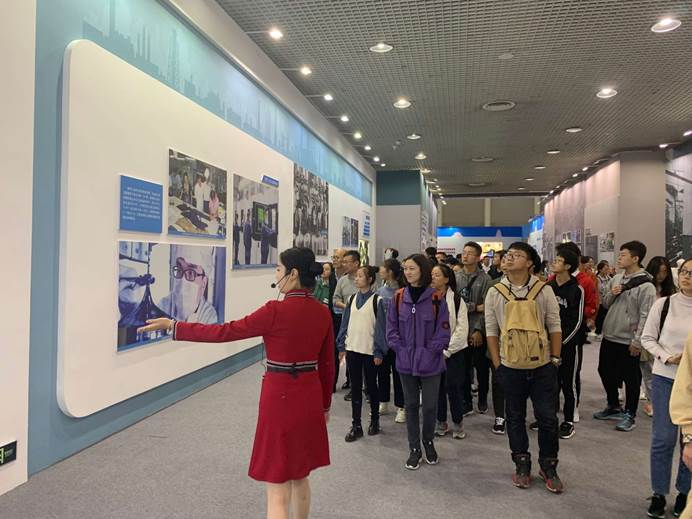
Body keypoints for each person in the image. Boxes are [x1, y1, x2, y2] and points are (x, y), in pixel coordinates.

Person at [137, 247, 333, 519]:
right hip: (310, 396)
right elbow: (327, 364)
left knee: (277, 483)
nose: (275, 275)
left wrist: (174, 326)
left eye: (278, 269)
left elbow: (224, 332)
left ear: (293, 274)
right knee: (301, 474)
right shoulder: (322, 312)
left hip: (279, 398)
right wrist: (325, 406)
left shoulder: (274, 311)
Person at [485, 242, 563, 493]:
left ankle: (548, 465)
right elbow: (491, 331)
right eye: (508, 255)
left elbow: (554, 325)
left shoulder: (544, 290)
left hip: (542, 366)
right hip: (510, 366)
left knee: (547, 418)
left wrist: (555, 359)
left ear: (530, 263)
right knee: (515, 417)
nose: (509, 258)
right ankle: (521, 463)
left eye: (517, 255)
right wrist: (498, 364)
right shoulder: (495, 291)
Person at [386, 254, 451, 470]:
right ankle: (414, 448)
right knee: (411, 405)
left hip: (431, 363)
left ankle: (428, 442)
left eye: (412, 268)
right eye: (405, 268)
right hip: (405, 362)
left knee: (430, 406)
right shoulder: (398, 297)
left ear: (422, 270)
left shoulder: (437, 298)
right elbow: (391, 329)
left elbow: (443, 331)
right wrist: (400, 349)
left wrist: (430, 352)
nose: (407, 272)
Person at [642, 257, 692, 519]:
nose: (687, 277)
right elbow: (648, 338)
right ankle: (659, 493)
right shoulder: (663, 305)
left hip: (691, 383)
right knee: (663, 439)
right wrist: (666, 357)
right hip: (665, 377)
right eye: (684, 272)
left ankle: (685, 493)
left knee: (689, 440)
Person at [594, 241, 656, 432]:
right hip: (610, 335)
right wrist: (612, 294)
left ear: (635, 258)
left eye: (623, 255)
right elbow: (605, 304)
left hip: (629, 340)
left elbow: (646, 315)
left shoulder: (646, 285)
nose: (619, 258)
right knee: (605, 371)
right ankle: (613, 405)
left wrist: (637, 341)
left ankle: (630, 413)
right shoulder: (616, 278)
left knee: (631, 378)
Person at [337, 266, 388, 441]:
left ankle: (375, 420)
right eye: (356, 276)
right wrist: (341, 346)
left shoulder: (378, 301)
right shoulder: (351, 299)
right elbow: (345, 323)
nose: (356, 279)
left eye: (360, 276)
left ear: (370, 279)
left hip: (370, 351)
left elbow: (381, 328)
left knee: (372, 387)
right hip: (353, 349)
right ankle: (356, 424)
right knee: (356, 388)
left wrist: (379, 351)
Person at [542, 248, 584, 440]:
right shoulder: (548, 286)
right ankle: (548, 417)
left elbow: (577, 321)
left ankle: (568, 421)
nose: (554, 262)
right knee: (549, 383)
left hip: (568, 345)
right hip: (548, 343)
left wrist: (562, 342)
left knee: (568, 383)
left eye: (559, 260)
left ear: (567, 266)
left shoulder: (576, 289)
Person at [433, 263, 470, 440]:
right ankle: (440, 421)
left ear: (447, 279)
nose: (433, 278)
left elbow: (461, 330)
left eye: (437, 275)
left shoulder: (456, 300)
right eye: (432, 274)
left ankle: (458, 422)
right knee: (436, 389)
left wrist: (447, 351)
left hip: (454, 353)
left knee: (453, 388)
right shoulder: (427, 298)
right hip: (433, 352)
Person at [456, 241, 491, 415]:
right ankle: (466, 402)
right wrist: (474, 307)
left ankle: (482, 397)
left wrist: (478, 330)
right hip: (460, 329)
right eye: (464, 252)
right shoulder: (456, 277)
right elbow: (455, 305)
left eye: (470, 253)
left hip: (478, 330)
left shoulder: (485, 279)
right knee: (462, 369)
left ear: (478, 257)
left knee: (482, 368)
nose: (465, 255)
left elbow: (487, 308)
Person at [642, 256, 678, 417]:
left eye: (664, 272)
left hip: (665, 337)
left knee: (657, 370)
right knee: (647, 371)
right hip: (647, 334)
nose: (661, 275)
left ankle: (657, 402)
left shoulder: (671, 291)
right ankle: (652, 401)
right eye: (658, 271)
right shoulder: (646, 287)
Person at [376, 258, 406, 422]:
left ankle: (401, 406)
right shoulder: (380, 291)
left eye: (383, 268)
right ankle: (383, 401)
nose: (380, 271)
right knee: (382, 372)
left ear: (390, 272)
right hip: (383, 337)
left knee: (398, 373)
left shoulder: (403, 291)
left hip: (399, 339)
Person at [159, 246, 219, 324]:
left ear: (203, 283)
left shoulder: (209, 315)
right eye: (179, 270)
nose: (183, 280)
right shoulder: (163, 305)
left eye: (191, 273)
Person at [333, 250, 360, 396]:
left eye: (346, 262)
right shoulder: (342, 281)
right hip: (347, 323)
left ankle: (362, 386)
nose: (344, 264)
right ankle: (352, 385)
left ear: (356, 263)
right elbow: (335, 299)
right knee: (348, 353)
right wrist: (347, 307)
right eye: (343, 261)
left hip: (364, 325)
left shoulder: (365, 279)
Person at [595, 260, 611, 336]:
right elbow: (600, 289)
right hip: (600, 301)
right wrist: (608, 289)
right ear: (600, 270)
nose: (607, 270)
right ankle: (598, 332)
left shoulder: (609, 278)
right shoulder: (597, 278)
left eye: (607, 269)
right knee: (599, 317)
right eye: (605, 269)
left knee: (607, 317)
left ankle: (604, 332)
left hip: (607, 301)